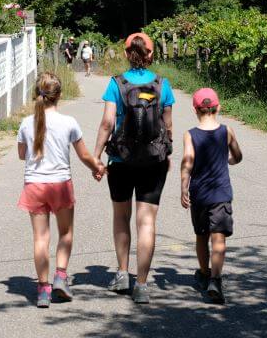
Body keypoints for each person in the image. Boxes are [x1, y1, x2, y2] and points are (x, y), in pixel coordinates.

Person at [93, 32, 175, 304]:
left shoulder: (116, 84)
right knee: (147, 222)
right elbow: (169, 125)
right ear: (151, 54)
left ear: (127, 54)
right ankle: (141, 284)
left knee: (121, 217)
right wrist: (168, 151)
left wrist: (96, 156)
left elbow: (107, 123)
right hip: (154, 161)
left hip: (121, 161)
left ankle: (122, 273)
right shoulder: (163, 84)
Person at [17, 72, 105, 308]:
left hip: (34, 184)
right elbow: (84, 155)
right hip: (60, 184)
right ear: (59, 96)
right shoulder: (69, 122)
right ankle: (60, 277)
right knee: (65, 233)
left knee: (40, 238)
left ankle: (43, 289)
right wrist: (97, 167)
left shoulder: (26, 123)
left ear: (37, 94)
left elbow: (21, 154)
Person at [180, 88, 243, 304]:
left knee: (201, 236)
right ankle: (216, 280)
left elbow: (187, 161)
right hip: (221, 194)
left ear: (195, 109)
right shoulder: (227, 131)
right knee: (219, 238)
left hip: (199, 195)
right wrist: (230, 161)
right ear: (218, 107)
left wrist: (183, 188)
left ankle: (204, 273)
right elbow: (238, 156)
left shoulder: (190, 134)